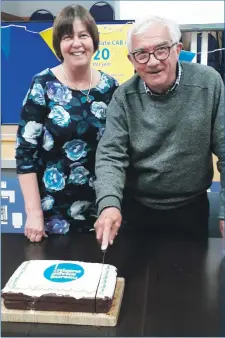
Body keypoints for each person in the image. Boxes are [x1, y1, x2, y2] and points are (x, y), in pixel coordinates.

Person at [94, 15, 225, 250]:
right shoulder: (124, 97)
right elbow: (111, 156)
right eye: (141, 54)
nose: (153, 62)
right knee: (134, 282)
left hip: (191, 209)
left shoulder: (209, 84)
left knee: (190, 282)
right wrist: (109, 204)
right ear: (131, 60)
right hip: (136, 211)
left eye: (161, 50)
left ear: (177, 49)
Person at [15, 5, 119, 242]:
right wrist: (34, 213)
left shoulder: (110, 88)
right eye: (67, 37)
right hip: (53, 213)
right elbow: (25, 153)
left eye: (83, 35)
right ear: (58, 46)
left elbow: (119, 151)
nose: (77, 43)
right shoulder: (43, 85)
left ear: (94, 41)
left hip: (102, 211)